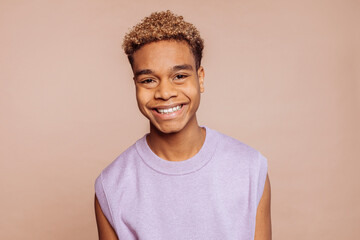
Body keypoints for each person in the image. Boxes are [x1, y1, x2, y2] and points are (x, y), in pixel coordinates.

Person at [94, 10, 271, 240]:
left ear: (201, 78)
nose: (165, 93)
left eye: (179, 76)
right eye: (148, 80)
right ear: (135, 86)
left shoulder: (249, 168)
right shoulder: (111, 185)